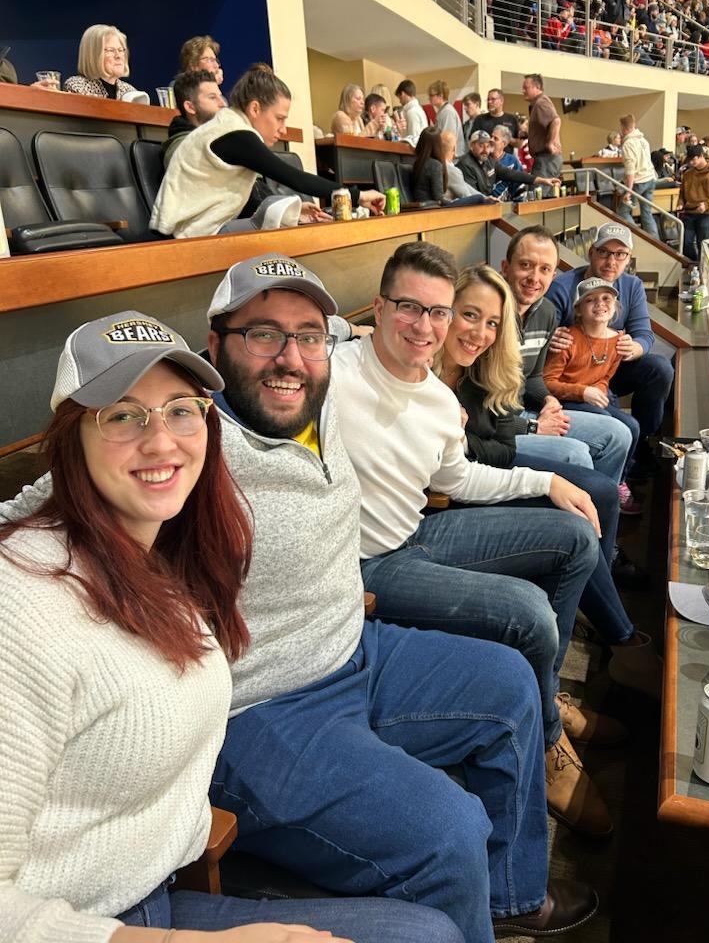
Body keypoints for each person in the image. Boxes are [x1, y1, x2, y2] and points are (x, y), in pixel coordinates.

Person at [4, 266, 598, 942]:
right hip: (263, 703)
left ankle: (511, 898)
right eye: (262, 334)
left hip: (355, 646)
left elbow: (357, 333)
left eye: (307, 336)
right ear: (217, 345)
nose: (289, 357)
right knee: (448, 828)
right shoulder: (186, 443)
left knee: (510, 684)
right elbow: (61, 488)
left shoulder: (318, 392)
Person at [331, 242, 620, 840]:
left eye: (438, 312)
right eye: (410, 307)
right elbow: (289, 340)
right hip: (366, 566)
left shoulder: (439, 400)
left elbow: (458, 478)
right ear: (379, 310)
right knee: (529, 613)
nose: (426, 325)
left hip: (418, 531)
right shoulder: (333, 366)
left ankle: (546, 695)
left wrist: (547, 479)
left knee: (574, 537)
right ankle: (546, 739)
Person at [434, 264, 659, 691]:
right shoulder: (425, 373)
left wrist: (475, 441)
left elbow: (503, 442)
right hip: (456, 494)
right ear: (444, 311)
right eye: (468, 315)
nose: (480, 332)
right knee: (581, 510)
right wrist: (469, 445)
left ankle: (606, 608)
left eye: (492, 323)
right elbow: (456, 468)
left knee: (600, 491)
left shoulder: (484, 367)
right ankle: (618, 635)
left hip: (489, 468)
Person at [150, 64, 384, 238]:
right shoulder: (234, 133)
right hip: (181, 237)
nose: (283, 129)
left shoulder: (228, 126)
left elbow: (237, 200)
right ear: (255, 108)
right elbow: (295, 179)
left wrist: (293, 212)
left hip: (191, 230)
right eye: (279, 118)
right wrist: (359, 196)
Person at [500, 225, 634, 488]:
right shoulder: (491, 315)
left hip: (528, 410)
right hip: (501, 424)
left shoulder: (546, 311)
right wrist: (533, 427)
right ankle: (583, 516)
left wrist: (548, 400)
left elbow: (535, 377)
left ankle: (600, 503)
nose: (534, 278)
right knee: (577, 455)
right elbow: (480, 410)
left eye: (545, 269)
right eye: (526, 265)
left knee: (620, 434)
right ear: (506, 267)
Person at [546, 222, 675, 478]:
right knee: (620, 423)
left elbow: (644, 334)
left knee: (660, 368)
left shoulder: (632, 285)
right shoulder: (562, 288)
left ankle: (641, 447)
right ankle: (617, 469)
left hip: (610, 369)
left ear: (628, 259)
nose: (611, 261)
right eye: (604, 252)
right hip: (572, 376)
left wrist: (635, 347)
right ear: (591, 253)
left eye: (620, 254)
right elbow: (542, 339)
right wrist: (550, 338)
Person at [543, 276, 640, 484]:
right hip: (566, 399)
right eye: (590, 300)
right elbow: (548, 382)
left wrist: (599, 389)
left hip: (590, 398)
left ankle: (618, 482)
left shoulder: (618, 341)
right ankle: (597, 482)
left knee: (632, 425)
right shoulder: (568, 339)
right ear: (578, 309)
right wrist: (583, 392)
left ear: (615, 307)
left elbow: (605, 377)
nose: (600, 304)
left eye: (606, 298)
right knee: (610, 422)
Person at [456, 129, 556, 196]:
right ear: (471, 146)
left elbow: (511, 174)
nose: (485, 150)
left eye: (487, 146)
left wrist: (541, 180)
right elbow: (472, 196)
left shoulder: (489, 161)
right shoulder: (465, 164)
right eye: (481, 146)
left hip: (489, 206)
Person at [161, 69, 227, 168]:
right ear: (190, 107)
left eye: (220, 96)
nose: (222, 104)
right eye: (212, 97)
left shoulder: (222, 138)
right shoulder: (182, 148)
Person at [677, 143, 709, 263]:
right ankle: (694, 265)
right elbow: (682, 192)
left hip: (706, 214)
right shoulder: (688, 174)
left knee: (704, 244)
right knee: (685, 243)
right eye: (689, 160)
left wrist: (707, 204)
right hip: (688, 213)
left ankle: (703, 268)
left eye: (694, 159)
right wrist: (680, 202)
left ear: (701, 156)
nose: (691, 163)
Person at [63, 24, 143, 101]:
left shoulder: (130, 92)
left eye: (120, 50)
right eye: (111, 50)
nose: (118, 56)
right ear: (94, 55)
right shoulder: (77, 86)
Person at [412, 127, 484, 205]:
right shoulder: (435, 165)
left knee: (479, 197)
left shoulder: (419, 162)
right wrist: (453, 202)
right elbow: (439, 199)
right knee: (479, 198)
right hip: (433, 208)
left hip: (424, 205)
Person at [616, 113, 659, 237]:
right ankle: (655, 242)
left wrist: (628, 191)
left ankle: (637, 237)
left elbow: (630, 170)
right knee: (647, 213)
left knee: (623, 211)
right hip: (650, 179)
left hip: (638, 182)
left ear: (624, 128)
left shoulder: (628, 144)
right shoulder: (643, 140)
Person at [521, 73, 562, 192]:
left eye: (526, 87)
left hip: (546, 158)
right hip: (545, 159)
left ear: (537, 87)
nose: (523, 90)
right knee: (542, 195)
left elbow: (556, 121)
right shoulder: (536, 104)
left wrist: (550, 143)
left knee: (538, 196)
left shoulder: (541, 102)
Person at [427, 79, 465, 155]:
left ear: (440, 95)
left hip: (451, 157)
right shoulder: (443, 111)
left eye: (431, 95)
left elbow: (447, 140)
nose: (429, 98)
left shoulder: (447, 112)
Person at [394, 78, 428, 146]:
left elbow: (414, 140)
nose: (399, 102)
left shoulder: (412, 112)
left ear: (403, 94)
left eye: (399, 98)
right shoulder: (418, 109)